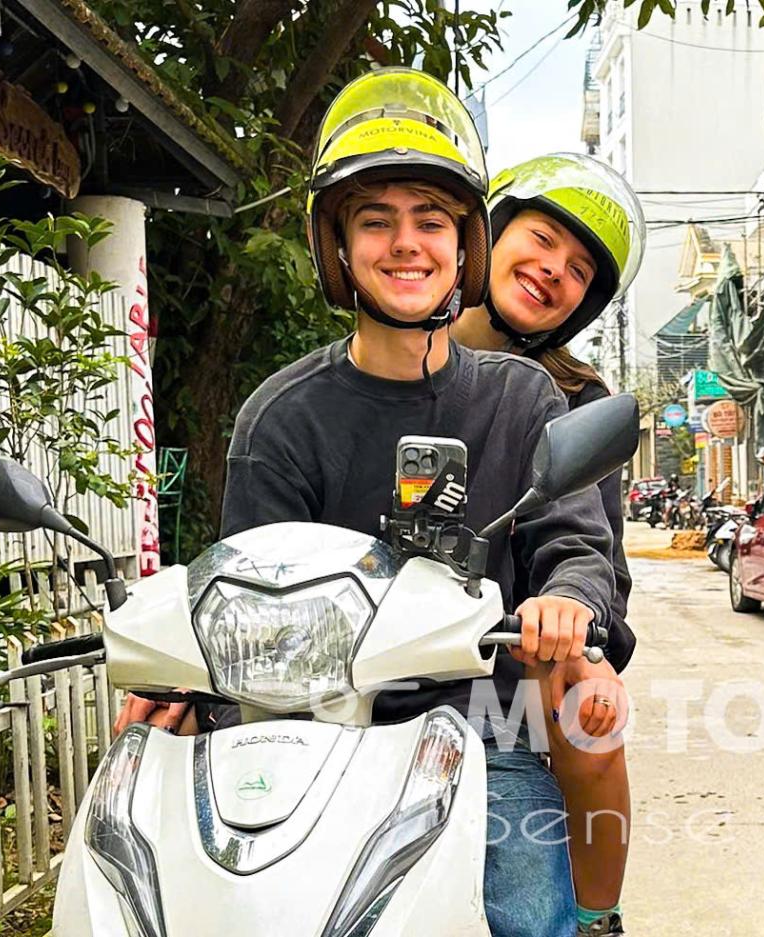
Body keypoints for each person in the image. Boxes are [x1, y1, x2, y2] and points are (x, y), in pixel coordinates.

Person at [121, 69, 617, 937]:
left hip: (482, 734)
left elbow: (575, 544)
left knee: (528, 916)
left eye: (431, 220)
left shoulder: (524, 400)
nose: (406, 244)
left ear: (464, 247)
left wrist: (566, 603)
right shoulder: (282, 416)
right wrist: (184, 674)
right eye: (375, 221)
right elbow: (242, 588)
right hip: (306, 738)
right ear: (338, 248)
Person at [450, 151, 645, 937]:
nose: (552, 271)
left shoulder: (575, 403)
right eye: (541, 239)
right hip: (356, 685)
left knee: (589, 701)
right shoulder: (364, 367)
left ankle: (597, 917)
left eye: (578, 271)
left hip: (507, 676)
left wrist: (567, 622)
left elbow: (591, 563)